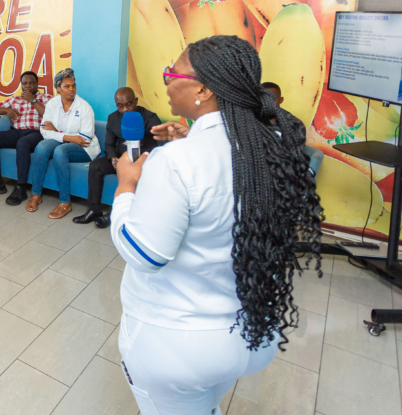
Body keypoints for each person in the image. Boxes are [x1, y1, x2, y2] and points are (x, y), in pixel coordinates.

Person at [110, 36, 320, 413]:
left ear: (204, 90)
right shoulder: (273, 148)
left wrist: (126, 186)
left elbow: (145, 254)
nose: (166, 81)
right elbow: (224, 174)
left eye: (172, 73)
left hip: (178, 345)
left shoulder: (176, 161)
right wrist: (191, 139)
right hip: (252, 332)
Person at [74, 87, 161, 228]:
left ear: (136, 101)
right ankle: (94, 210)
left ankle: (113, 214)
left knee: (138, 175)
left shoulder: (150, 118)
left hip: (142, 162)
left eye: (129, 104)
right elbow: (109, 144)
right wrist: (114, 159)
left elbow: (159, 144)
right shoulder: (113, 118)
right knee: (95, 166)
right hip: (120, 159)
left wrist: (141, 161)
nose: (125, 109)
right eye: (120, 106)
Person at [24, 68, 100, 219]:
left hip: (85, 148)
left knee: (60, 152)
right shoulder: (52, 104)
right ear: (58, 88)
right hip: (65, 141)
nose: (71, 89)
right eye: (67, 86)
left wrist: (58, 132)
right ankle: (36, 194)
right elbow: (45, 130)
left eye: (73, 86)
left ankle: (65, 202)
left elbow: (85, 138)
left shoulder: (84, 107)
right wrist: (68, 137)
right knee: (41, 147)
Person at [0, 71, 51, 205]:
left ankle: (21, 187)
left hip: (36, 133)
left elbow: (50, 116)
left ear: (37, 84)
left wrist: (33, 100)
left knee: (22, 143)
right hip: (16, 132)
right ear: (21, 85)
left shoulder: (47, 98)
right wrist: (6, 110)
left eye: (31, 83)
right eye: (25, 83)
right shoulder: (15, 99)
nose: (28, 86)